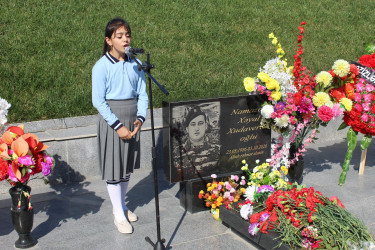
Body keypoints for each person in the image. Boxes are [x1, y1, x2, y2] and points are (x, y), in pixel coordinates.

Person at [92, 18, 148, 234]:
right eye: (119, 36)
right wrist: (117, 126)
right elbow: (98, 101)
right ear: (109, 40)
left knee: (125, 166)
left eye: (127, 35)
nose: (125, 40)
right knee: (114, 167)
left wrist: (140, 119)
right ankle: (118, 213)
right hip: (113, 120)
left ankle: (123, 205)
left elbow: (142, 93)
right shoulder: (101, 66)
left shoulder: (135, 63)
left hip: (132, 117)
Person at [173, 106, 220, 181]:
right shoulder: (177, 152)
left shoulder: (217, 149)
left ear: (206, 126)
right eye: (193, 124)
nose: (197, 128)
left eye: (200, 123)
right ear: (187, 129)